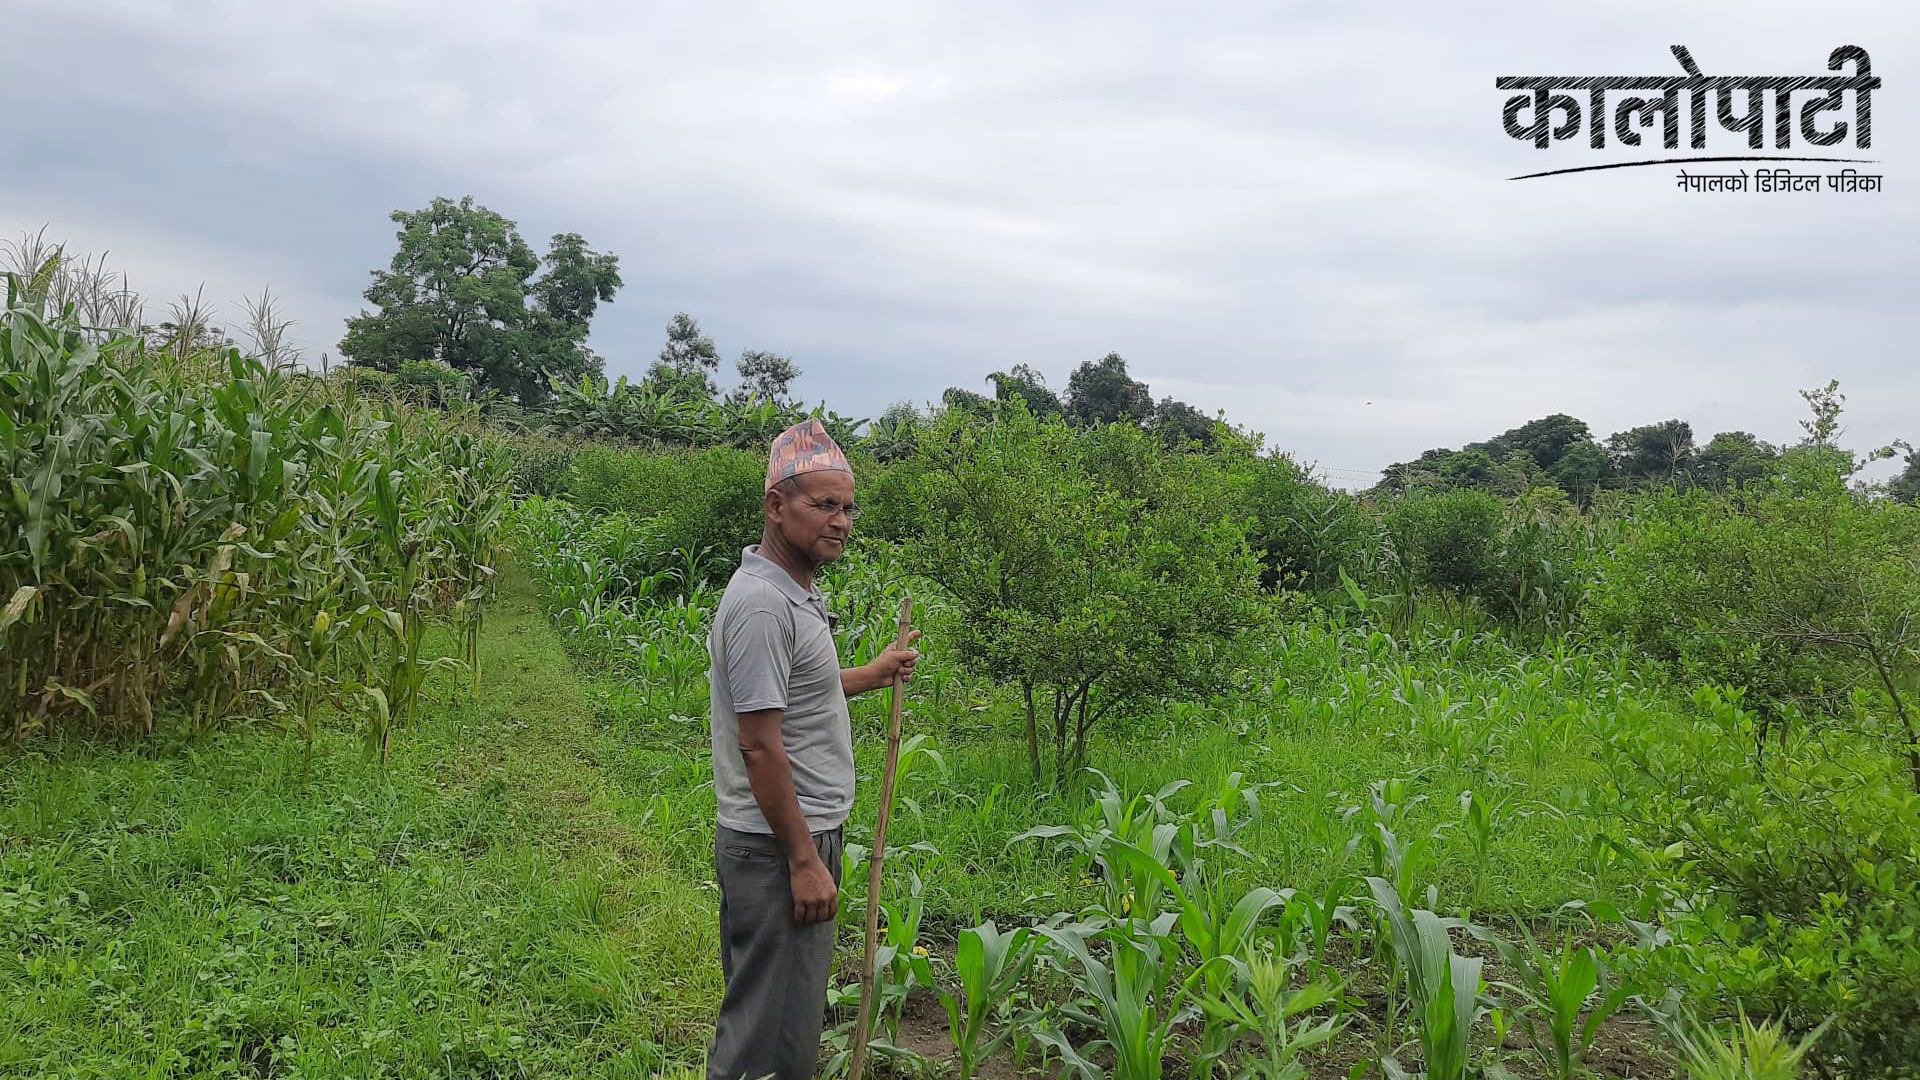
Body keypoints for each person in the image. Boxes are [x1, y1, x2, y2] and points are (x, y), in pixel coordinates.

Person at [706, 418, 919, 1080]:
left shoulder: (792, 592)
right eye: (823, 504)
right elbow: (761, 746)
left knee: (789, 1024)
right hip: (779, 844)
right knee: (764, 1039)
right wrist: (802, 860)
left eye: (847, 506)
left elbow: (797, 694)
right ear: (775, 506)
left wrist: (873, 672)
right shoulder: (765, 606)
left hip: (795, 835)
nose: (841, 521)